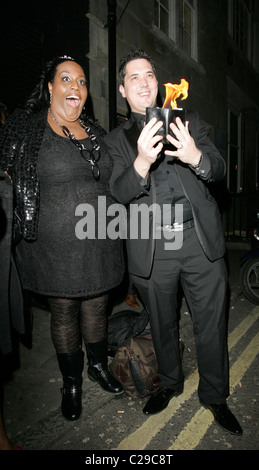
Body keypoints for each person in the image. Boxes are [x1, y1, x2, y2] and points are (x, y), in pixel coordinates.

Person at [105, 50, 242, 435]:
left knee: (211, 324)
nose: (145, 82)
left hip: (200, 242)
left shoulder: (190, 120)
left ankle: (215, 396)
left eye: (149, 74)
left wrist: (196, 155)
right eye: (134, 77)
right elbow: (118, 193)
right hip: (153, 248)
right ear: (122, 90)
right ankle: (169, 383)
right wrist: (141, 162)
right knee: (162, 324)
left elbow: (218, 169)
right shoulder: (117, 141)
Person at [0, 55, 125, 422]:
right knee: (65, 313)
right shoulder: (27, 127)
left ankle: (98, 366)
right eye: (66, 79)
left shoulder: (97, 132)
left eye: (82, 81)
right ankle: (71, 382)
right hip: (54, 251)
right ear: (51, 86)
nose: (76, 87)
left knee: (97, 307)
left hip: (100, 241)